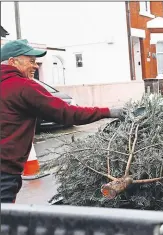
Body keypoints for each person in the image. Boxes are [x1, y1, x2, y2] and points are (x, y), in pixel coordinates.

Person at [0, 39, 125, 203]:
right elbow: (66, 113)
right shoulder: (23, 86)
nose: (36, 66)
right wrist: (108, 111)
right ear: (12, 61)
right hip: (4, 172)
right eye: (31, 61)